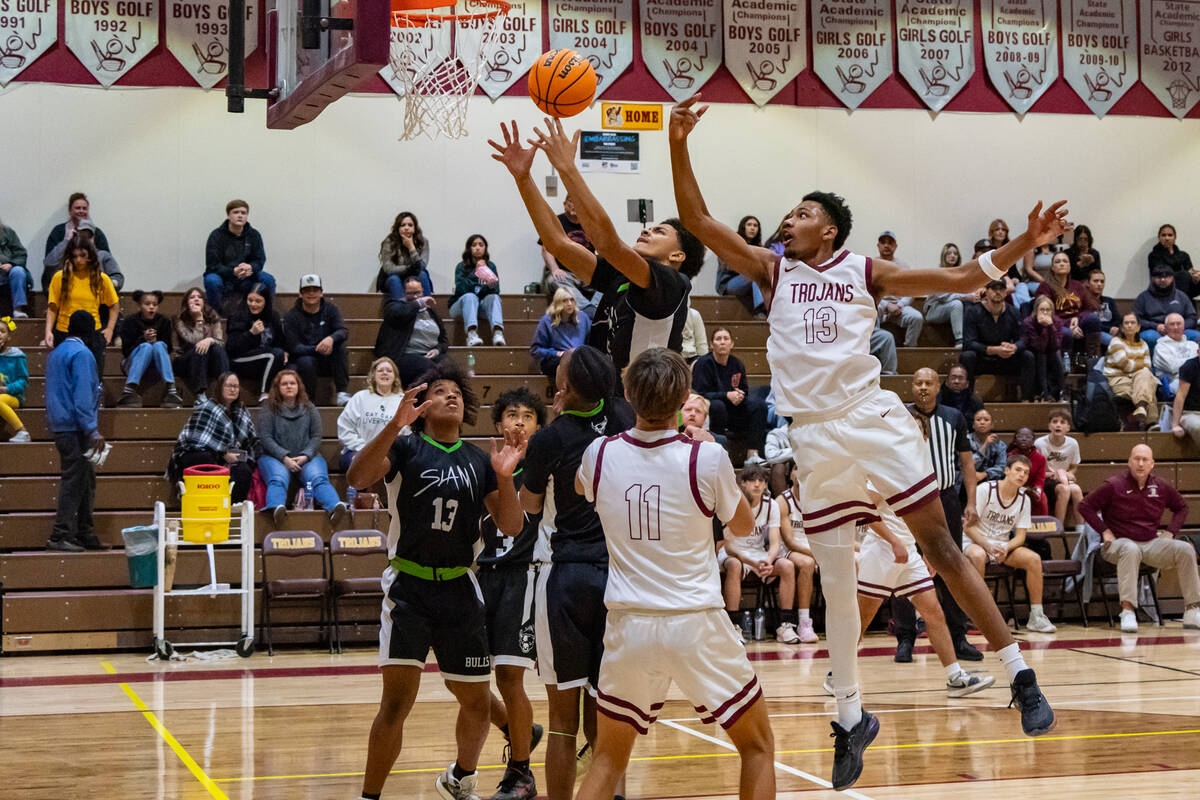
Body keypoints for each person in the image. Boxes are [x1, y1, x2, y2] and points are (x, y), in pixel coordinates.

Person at [669, 98, 1059, 788]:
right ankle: (850, 718)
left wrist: (1023, 244)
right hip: (814, 440)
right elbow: (698, 223)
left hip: (869, 418)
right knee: (840, 585)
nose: (788, 219)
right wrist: (677, 142)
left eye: (800, 212)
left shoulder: (862, 272)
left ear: (828, 227)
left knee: (939, 544)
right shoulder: (772, 270)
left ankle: (1019, 675)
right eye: (787, 213)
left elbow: (964, 280)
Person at [576, 347, 776, 800]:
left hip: (628, 625)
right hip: (695, 621)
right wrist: (711, 455)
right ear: (686, 396)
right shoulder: (705, 458)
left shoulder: (598, 454)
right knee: (758, 747)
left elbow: (581, 488)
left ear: (626, 394)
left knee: (608, 759)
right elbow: (743, 528)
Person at [346, 359, 526, 800]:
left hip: (460, 587)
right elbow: (357, 477)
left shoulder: (479, 459)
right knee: (395, 705)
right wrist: (394, 425)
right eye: (440, 391)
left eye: (457, 393)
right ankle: (369, 795)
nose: (451, 396)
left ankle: (461, 778)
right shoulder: (406, 448)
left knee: (476, 702)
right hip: (408, 588)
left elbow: (512, 526)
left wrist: (504, 479)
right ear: (422, 406)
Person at [492, 120, 704, 375]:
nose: (647, 230)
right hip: (618, 397)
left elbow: (608, 244)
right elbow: (558, 244)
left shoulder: (673, 283)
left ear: (677, 255)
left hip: (648, 404)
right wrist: (524, 178)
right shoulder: (624, 276)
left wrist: (567, 169)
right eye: (652, 227)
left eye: (660, 231)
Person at [519, 346, 634, 800]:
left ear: (563, 389)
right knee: (608, 710)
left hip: (563, 575)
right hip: (619, 575)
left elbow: (528, 508)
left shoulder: (550, 438)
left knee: (562, 720)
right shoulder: (625, 417)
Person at [847, 484, 998, 694]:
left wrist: (927, 549)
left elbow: (920, 517)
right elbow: (865, 512)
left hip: (909, 550)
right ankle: (838, 675)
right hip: (881, 550)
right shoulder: (880, 474)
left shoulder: (913, 475)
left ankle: (955, 677)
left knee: (934, 612)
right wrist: (893, 541)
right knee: (861, 620)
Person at [476, 388, 547, 800]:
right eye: (511, 414)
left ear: (539, 426)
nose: (519, 421)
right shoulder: (485, 466)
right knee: (464, 679)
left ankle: (521, 772)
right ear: (498, 424)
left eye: (527, 416)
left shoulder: (542, 465)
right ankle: (517, 730)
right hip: (482, 575)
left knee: (508, 677)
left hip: (523, 576)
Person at [898, 368, 979, 663]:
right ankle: (905, 638)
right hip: (909, 499)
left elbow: (967, 465)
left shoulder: (954, 417)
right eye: (917, 382)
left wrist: (970, 501)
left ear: (937, 387)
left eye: (928, 383)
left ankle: (959, 637)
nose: (922, 387)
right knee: (905, 567)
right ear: (911, 386)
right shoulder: (901, 417)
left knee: (952, 566)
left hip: (945, 498)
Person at [1079, 444, 1199, 633]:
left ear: (1152, 464)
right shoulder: (1113, 485)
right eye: (1136, 459)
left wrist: (1171, 532)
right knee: (1130, 548)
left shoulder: (1160, 486)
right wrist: (1104, 530)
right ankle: (1127, 611)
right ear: (1129, 461)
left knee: (1185, 549)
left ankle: (1192, 610)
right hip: (1118, 544)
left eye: (1145, 460)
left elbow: (1182, 507)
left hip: (1150, 543)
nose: (1140, 463)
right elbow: (1085, 506)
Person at [963, 456, 1057, 632]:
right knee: (978, 555)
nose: (1022, 475)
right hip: (975, 540)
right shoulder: (985, 490)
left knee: (1034, 559)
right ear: (1006, 470)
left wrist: (1006, 547)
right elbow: (968, 528)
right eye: (1018, 470)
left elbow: (1021, 537)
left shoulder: (1024, 500)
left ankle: (1036, 616)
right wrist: (988, 546)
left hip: (1001, 546)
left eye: (1026, 472)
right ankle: (978, 614)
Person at [45, 311, 105, 552]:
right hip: (76, 428)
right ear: (90, 331)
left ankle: (84, 532)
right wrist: (92, 429)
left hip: (60, 425)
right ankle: (60, 535)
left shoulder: (56, 353)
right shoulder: (82, 354)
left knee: (86, 478)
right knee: (75, 480)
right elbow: (82, 396)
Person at [719, 464, 801, 643]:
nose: (757, 484)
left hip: (759, 555)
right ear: (743, 484)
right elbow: (728, 545)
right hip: (734, 554)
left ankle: (785, 625)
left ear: (765, 485)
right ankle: (733, 626)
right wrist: (752, 562)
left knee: (787, 565)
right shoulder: (732, 503)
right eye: (751, 481)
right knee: (734, 565)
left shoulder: (771, 505)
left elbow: (774, 543)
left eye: (761, 481)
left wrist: (768, 561)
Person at [259, 369, 348, 526]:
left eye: (292, 383)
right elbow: (266, 438)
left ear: (298, 386)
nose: (289, 386)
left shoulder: (309, 408)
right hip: (275, 457)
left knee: (318, 479)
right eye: (284, 383)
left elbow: (316, 436)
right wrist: (284, 458)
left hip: (306, 457)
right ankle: (276, 509)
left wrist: (306, 456)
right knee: (278, 479)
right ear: (277, 387)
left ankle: (335, 507)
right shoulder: (269, 408)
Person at [168, 372, 257, 504]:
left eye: (236, 386)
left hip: (225, 459)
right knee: (205, 458)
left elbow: (249, 442)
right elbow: (194, 441)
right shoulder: (206, 408)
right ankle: (202, 500)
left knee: (243, 469)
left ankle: (231, 506)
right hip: (195, 455)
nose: (233, 389)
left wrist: (236, 456)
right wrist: (222, 452)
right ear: (220, 387)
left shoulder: (241, 412)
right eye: (228, 386)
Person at [43, 234, 117, 380]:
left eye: (83, 255)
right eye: (75, 256)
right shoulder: (59, 277)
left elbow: (114, 306)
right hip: (64, 332)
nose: (79, 260)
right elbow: (52, 308)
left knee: (92, 378)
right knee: (64, 377)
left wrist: (110, 329)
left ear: (90, 255)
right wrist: (48, 331)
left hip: (93, 334)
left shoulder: (101, 278)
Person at [691, 327, 768, 462]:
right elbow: (701, 393)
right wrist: (726, 395)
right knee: (718, 405)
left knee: (759, 406)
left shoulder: (737, 364)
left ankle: (752, 454)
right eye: (718, 339)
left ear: (732, 344)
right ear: (711, 344)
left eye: (726, 339)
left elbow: (745, 390)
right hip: (712, 410)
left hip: (734, 410)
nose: (722, 342)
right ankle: (720, 451)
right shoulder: (704, 363)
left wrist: (739, 395)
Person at [961, 279, 1036, 401]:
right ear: (986, 291)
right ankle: (967, 399)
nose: (998, 292)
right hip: (983, 358)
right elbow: (969, 342)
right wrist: (992, 350)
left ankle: (1026, 399)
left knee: (1027, 356)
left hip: (1005, 359)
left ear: (1006, 292)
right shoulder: (973, 311)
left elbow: (1023, 339)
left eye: (1001, 289)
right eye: (994, 289)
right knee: (967, 356)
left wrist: (1015, 347)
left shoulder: (1013, 312)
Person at [284, 274, 351, 406]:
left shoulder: (331, 309)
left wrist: (331, 339)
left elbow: (343, 331)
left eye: (315, 290)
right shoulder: (291, 316)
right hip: (306, 360)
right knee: (306, 361)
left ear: (321, 293)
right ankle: (309, 400)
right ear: (300, 294)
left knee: (340, 347)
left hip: (328, 361)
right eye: (307, 290)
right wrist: (318, 348)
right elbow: (295, 347)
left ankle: (342, 393)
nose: (311, 293)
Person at [374, 275, 448, 389]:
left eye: (418, 293)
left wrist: (437, 350)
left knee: (451, 369)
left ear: (423, 291)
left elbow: (443, 340)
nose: (415, 296)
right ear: (403, 293)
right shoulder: (395, 307)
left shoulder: (432, 313)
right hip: (405, 355)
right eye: (411, 293)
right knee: (429, 368)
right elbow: (397, 315)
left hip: (430, 355)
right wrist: (419, 303)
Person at [203, 199, 274, 312]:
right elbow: (212, 265)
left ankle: (266, 315)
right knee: (212, 280)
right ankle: (215, 316)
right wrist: (233, 271)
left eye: (243, 213)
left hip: (247, 276)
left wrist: (250, 267)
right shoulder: (216, 235)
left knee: (268, 279)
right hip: (223, 276)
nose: (240, 216)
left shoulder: (254, 234)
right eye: (236, 212)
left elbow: (260, 259)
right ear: (228, 216)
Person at [337, 357, 406, 473]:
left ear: (395, 377)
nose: (384, 373)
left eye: (389, 371)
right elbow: (345, 429)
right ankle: (361, 492)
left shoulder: (402, 401)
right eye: (380, 370)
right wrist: (367, 450)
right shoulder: (360, 397)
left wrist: (386, 452)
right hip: (358, 451)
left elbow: (406, 432)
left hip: (390, 453)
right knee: (363, 464)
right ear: (373, 375)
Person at [777, 460, 820, 643]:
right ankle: (804, 623)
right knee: (807, 563)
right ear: (790, 475)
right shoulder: (783, 501)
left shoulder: (818, 500)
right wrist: (818, 554)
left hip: (814, 548)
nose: (800, 472)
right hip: (788, 549)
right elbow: (790, 542)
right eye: (796, 468)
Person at [116, 290, 183, 408]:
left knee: (159, 345)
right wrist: (143, 339)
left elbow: (169, 349)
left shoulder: (163, 321)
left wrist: (156, 341)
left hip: (156, 368)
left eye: (155, 304)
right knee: (146, 347)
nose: (151, 307)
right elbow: (126, 351)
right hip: (132, 365)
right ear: (139, 306)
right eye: (147, 304)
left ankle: (172, 391)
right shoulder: (130, 321)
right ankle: (128, 391)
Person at [539, 195, 599, 319]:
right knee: (555, 279)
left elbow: (601, 250)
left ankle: (597, 309)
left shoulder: (590, 224)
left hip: (586, 275)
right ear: (565, 204)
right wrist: (555, 269)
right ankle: (589, 310)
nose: (575, 205)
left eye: (578, 202)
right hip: (564, 274)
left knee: (610, 280)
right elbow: (546, 249)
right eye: (572, 201)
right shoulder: (556, 222)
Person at [226, 283, 287, 403]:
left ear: (266, 302)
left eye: (258, 301)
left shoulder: (273, 316)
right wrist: (251, 333)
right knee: (274, 354)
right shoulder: (237, 316)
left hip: (263, 358)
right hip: (240, 359)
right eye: (250, 300)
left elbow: (280, 341)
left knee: (289, 364)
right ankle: (265, 394)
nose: (253, 304)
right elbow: (231, 347)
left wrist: (286, 352)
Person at [1036, 251, 1101, 362]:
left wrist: (1077, 318)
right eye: (1058, 262)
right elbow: (1045, 314)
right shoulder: (1045, 287)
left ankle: (1093, 363)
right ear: (1052, 267)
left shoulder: (1078, 286)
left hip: (1076, 321)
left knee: (1093, 318)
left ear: (1070, 267)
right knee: (1067, 333)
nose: (1062, 264)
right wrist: (1068, 324)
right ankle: (1065, 365)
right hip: (1056, 324)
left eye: (1065, 261)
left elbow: (1088, 308)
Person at [172, 287, 229, 403]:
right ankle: (200, 394)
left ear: (204, 302)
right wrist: (199, 320)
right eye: (192, 297)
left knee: (217, 348)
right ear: (187, 303)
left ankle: (225, 387)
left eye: (199, 297)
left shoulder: (213, 317)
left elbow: (221, 342)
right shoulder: (179, 320)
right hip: (183, 361)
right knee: (199, 348)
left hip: (205, 360)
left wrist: (210, 340)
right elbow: (193, 341)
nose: (196, 299)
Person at [450, 234, 506, 346]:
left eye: (481, 245)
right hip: (461, 307)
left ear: (485, 248)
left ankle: (498, 333)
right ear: (469, 248)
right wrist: (476, 271)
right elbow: (461, 290)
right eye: (474, 245)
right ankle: (471, 335)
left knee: (494, 297)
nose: (477, 248)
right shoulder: (461, 266)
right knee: (470, 296)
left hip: (481, 308)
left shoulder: (491, 266)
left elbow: (495, 291)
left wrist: (486, 273)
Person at [1105, 313, 1159, 426]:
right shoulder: (1116, 342)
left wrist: (1136, 366)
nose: (1129, 325)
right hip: (1118, 380)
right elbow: (1126, 365)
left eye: (1133, 322)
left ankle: (1141, 411)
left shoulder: (1143, 344)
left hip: (1138, 379)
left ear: (1139, 327)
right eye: (1126, 323)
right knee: (1149, 383)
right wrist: (1140, 364)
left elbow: (1147, 365)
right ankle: (1151, 423)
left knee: (1145, 375)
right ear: (1122, 328)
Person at [42, 221, 123, 295]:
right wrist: (67, 240)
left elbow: (118, 278)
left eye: (88, 236)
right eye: (82, 236)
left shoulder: (103, 255)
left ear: (94, 237)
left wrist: (104, 284)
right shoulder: (69, 256)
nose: (85, 240)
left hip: (98, 302)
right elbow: (49, 264)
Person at [874, 231, 924, 347]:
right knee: (870, 311)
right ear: (878, 245)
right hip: (880, 305)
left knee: (917, 317)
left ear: (895, 246)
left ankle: (909, 350)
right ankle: (874, 348)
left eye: (890, 243)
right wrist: (887, 305)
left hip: (899, 306)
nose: (886, 245)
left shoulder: (903, 266)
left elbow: (912, 291)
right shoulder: (871, 265)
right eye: (883, 242)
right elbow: (868, 291)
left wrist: (900, 305)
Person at [1035, 409, 1083, 528]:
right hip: (1046, 480)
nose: (1058, 425)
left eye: (1062, 422)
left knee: (1076, 490)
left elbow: (1074, 465)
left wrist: (1070, 473)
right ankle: (1058, 527)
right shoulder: (1040, 444)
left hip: (1064, 479)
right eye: (1055, 421)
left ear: (1068, 427)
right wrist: (1052, 475)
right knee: (1064, 490)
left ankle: (1081, 529)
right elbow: (1036, 471)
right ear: (1049, 426)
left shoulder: (1073, 443)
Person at [530, 287, 591, 381]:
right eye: (565, 301)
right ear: (558, 303)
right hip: (555, 360)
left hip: (578, 359)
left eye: (571, 300)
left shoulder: (583, 318)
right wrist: (556, 353)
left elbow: (589, 344)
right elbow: (536, 350)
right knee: (568, 364)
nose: (569, 304)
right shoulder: (547, 321)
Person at [1136, 265, 1200, 350]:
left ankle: (1190, 363)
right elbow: (1136, 319)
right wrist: (1156, 326)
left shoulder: (1182, 296)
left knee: (1196, 336)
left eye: (1166, 276)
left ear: (1172, 278)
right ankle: (1153, 363)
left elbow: (1192, 317)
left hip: (1180, 330)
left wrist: (1179, 327)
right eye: (1159, 277)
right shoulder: (1143, 297)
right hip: (1154, 330)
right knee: (1149, 337)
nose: (1163, 280)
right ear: (1152, 278)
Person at [715, 215, 766, 316]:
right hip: (728, 284)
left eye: (755, 226)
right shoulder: (732, 244)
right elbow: (729, 265)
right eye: (749, 225)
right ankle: (761, 309)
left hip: (748, 282)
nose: (752, 228)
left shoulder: (760, 247)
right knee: (756, 275)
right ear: (743, 227)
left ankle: (762, 308)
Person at [922, 243, 971, 348]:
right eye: (949, 253)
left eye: (955, 254)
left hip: (948, 309)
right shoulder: (938, 273)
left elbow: (967, 290)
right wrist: (965, 296)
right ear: (944, 256)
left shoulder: (961, 273)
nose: (953, 256)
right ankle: (959, 340)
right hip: (933, 309)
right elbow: (944, 297)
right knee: (957, 304)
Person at [376, 211, 432, 298]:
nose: (406, 228)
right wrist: (409, 268)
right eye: (403, 225)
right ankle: (400, 310)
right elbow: (389, 269)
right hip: (393, 277)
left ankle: (425, 308)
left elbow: (421, 266)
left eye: (410, 225)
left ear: (415, 228)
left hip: (414, 277)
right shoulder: (389, 241)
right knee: (394, 280)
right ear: (398, 228)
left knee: (423, 274)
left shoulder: (423, 242)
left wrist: (411, 247)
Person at [1021, 295, 1065, 401]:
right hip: (1034, 352)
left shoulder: (1057, 322)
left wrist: (1050, 327)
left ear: (1052, 312)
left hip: (1051, 351)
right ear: (1036, 311)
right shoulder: (1028, 322)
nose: (1045, 313)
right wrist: (1042, 327)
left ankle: (1059, 391)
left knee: (1056, 355)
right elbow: (1038, 346)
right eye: (1042, 310)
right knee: (1042, 356)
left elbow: (1056, 345)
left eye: (1048, 310)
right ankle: (1044, 393)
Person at [44, 192, 111, 259]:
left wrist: (92, 247)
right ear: (70, 210)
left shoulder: (96, 233)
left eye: (84, 208)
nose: (81, 211)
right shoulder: (58, 231)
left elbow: (107, 260)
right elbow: (48, 260)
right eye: (78, 208)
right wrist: (66, 241)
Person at [1153, 312, 1199, 395]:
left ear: (1184, 327)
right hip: (1175, 382)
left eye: (1179, 324)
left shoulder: (1192, 345)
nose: (1176, 327)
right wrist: (1193, 360)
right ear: (1166, 328)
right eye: (1172, 324)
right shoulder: (1160, 347)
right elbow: (1173, 367)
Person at [0, 316, 30, 442]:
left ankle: (22, 431)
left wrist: (6, 389)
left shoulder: (16, 355)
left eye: (2, 331)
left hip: (14, 396)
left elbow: (23, 381)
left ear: (9, 336)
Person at [1007, 427, 1048, 516]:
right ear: (1015, 440)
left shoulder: (1040, 458)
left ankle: (1041, 524)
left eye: (1028, 437)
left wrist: (1037, 491)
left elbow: (1040, 480)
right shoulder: (1010, 456)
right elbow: (1008, 477)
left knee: (1042, 497)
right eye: (1020, 436)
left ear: (1033, 441)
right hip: (1014, 487)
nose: (1024, 439)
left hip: (1032, 488)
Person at [1148, 223, 1195, 289]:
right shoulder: (1153, 255)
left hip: (1184, 284)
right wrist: (1185, 274)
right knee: (1184, 275)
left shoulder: (1184, 255)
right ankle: (1182, 298)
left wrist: (1195, 276)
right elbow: (1160, 274)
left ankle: (1185, 298)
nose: (1167, 238)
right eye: (1163, 235)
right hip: (1163, 284)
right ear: (1159, 238)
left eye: (1170, 235)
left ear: (1175, 237)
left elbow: (1191, 271)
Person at [0, 217, 31, 318]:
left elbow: (21, 254)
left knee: (18, 271)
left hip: (8, 271)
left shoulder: (8, 232)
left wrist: (11, 264)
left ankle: (18, 310)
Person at [970, 408, 1007, 483]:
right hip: (969, 481)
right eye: (978, 420)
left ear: (992, 425)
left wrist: (985, 474)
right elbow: (969, 464)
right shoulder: (966, 441)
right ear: (973, 425)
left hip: (992, 482)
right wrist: (985, 445)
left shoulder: (999, 444)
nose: (982, 422)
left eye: (986, 420)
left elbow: (1002, 467)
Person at [1172, 353, 1200, 445]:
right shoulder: (1190, 366)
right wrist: (1175, 425)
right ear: (1198, 351)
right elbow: (1180, 395)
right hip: (1191, 413)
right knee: (1198, 426)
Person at [1088, 268, 1120, 347]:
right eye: (1095, 281)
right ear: (1088, 283)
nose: (1099, 284)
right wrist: (1109, 329)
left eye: (1102, 281)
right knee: (1113, 341)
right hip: (1095, 332)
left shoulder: (1109, 301)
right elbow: (1089, 323)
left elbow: (1118, 319)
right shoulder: (1085, 302)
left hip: (1112, 332)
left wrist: (1115, 328)